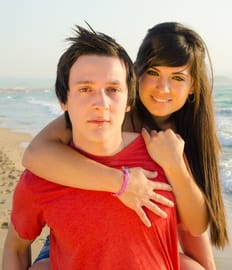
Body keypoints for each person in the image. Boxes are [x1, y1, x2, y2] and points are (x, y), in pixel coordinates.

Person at [22, 22, 228, 269]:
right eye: (152, 72)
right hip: (73, 242)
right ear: (136, 72)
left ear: (193, 85)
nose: (163, 88)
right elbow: (36, 154)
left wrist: (175, 165)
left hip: (144, 243)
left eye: (177, 77)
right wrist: (122, 182)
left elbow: (194, 229)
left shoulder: (187, 133)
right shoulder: (110, 113)